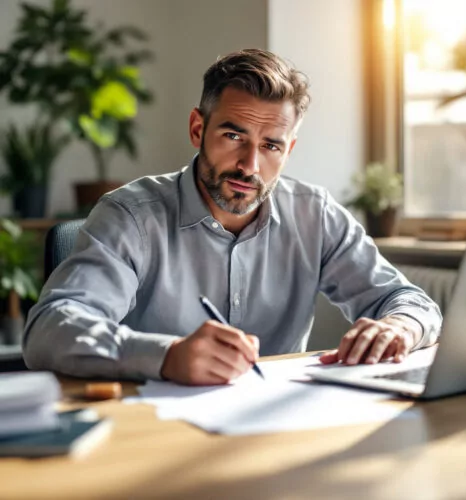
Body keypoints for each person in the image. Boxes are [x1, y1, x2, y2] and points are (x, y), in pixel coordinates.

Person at [23, 49, 442, 385]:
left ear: (289, 150)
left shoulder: (316, 215)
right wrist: (165, 356)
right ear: (196, 129)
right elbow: (49, 330)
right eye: (233, 135)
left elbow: (410, 302)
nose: (250, 166)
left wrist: (400, 326)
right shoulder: (130, 216)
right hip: (150, 428)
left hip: (271, 427)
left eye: (271, 146)